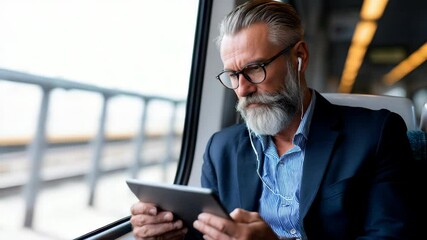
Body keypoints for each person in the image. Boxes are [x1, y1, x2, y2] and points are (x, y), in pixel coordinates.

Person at [130, 0, 417, 239]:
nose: (242, 89)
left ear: (299, 58)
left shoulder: (375, 135)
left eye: (254, 69)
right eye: (233, 75)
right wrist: (171, 232)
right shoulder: (222, 149)